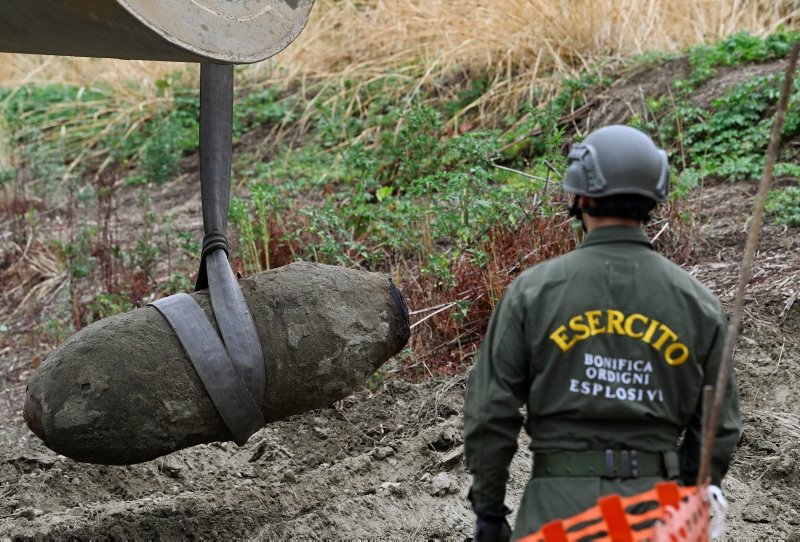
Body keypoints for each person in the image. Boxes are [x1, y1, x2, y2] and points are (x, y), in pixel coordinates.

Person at [463, 125, 742, 541]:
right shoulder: (697, 303)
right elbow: (718, 426)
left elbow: (490, 412)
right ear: (653, 197)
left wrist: (489, 510)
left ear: (582, 196)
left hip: (556, 517)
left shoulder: (533, 292)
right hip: (659, 516)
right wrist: (684, 495)